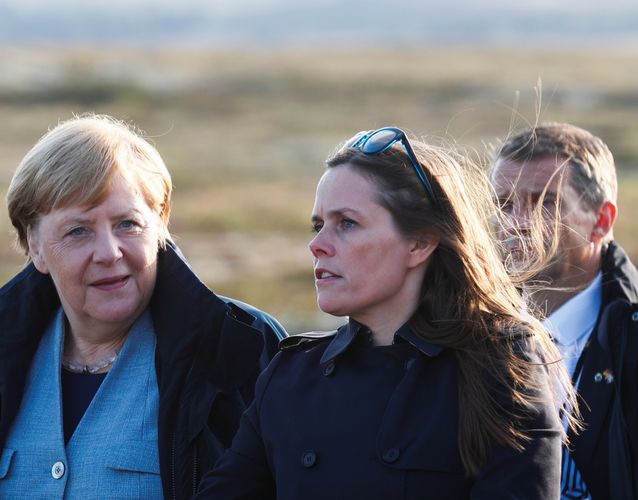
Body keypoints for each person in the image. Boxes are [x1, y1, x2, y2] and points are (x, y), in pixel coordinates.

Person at [0, 114, 286, 499]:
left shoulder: (243, 349)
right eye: (78, 231)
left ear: (161, 223)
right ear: (34, 246)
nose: (108, 252)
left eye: (127, 224)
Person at [196, 127, 575, 499]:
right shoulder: (290, 376)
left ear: (420, 242)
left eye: (347, 223)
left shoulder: (500, 364)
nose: (317, 244)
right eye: (318, 225)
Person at [491, 122, 638, 500]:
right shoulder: (463, 330)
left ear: (601, 221)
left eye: (545, 202)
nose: (517, 224)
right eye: (504, 204)